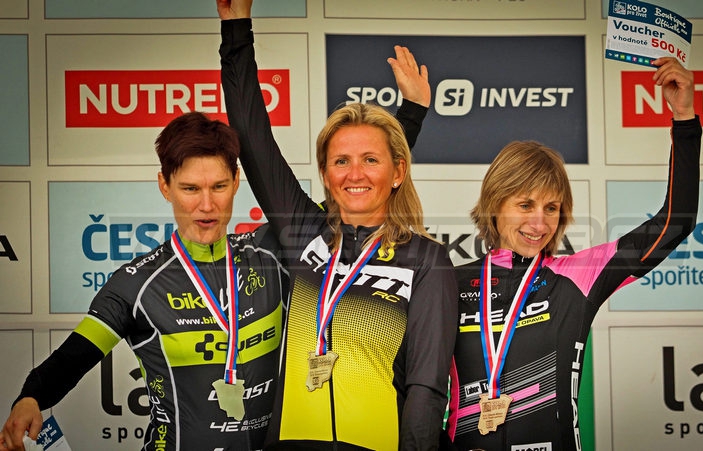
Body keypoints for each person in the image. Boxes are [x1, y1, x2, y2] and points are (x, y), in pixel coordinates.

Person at [216, 1, 458, 449]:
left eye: (370, 161)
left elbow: (425, 391)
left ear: (398, 173)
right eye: (340, 161)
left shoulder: (426, 260)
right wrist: (236, 30)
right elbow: (252, 137)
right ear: (326, 175)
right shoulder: (303, 231)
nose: (354, 173)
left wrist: (412, 115)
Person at [443, 57, 701, 450]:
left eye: (552, 208)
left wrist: (684, 120)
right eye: (525, 205)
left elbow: (674, 224)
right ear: (495, 204)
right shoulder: (449, 282)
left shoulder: (580, 275)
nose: (539, 223)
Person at [0, 112, 288, 451]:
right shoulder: (135, 284)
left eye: (219, 186)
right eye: (190, 188)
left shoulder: (272, 254)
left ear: (237, 182)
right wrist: (30, 398)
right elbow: (71, 358)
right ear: (165, 186)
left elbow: (333, 211)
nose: (207, 205)